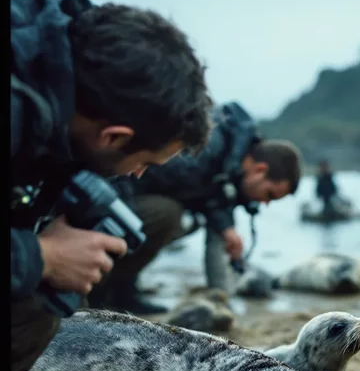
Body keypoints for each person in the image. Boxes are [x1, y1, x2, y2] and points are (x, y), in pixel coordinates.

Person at [11, 0, 213, 371]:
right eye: (144, 163)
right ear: (113, 136)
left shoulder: (65, 58)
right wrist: (42, 256)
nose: (138, 175)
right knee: (35, 308)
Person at [89, 101, 303, 311]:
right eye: (269, 195)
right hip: (109, 192)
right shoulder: (208, 148)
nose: (265, 203)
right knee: (169, 214)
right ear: (259, 169)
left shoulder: (230, 163)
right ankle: (99, 286)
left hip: (133, 198)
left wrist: (226, 228)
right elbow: (132, 172)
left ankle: (123, 288)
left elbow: (209, 194)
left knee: (192, 220)